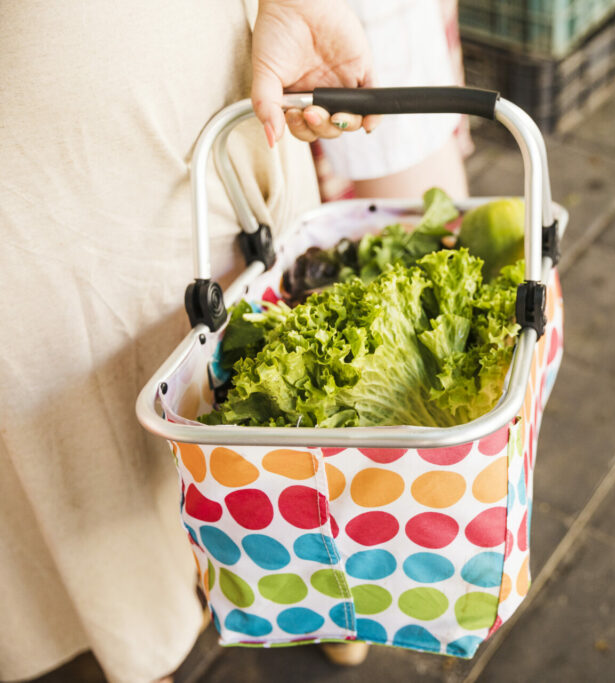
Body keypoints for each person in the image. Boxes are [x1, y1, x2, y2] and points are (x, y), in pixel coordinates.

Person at [0, 0, 466, 680]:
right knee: (236, 397)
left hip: (145, 84)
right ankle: (313, 607)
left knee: (234, 389)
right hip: (144, 82)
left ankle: (244, 621)